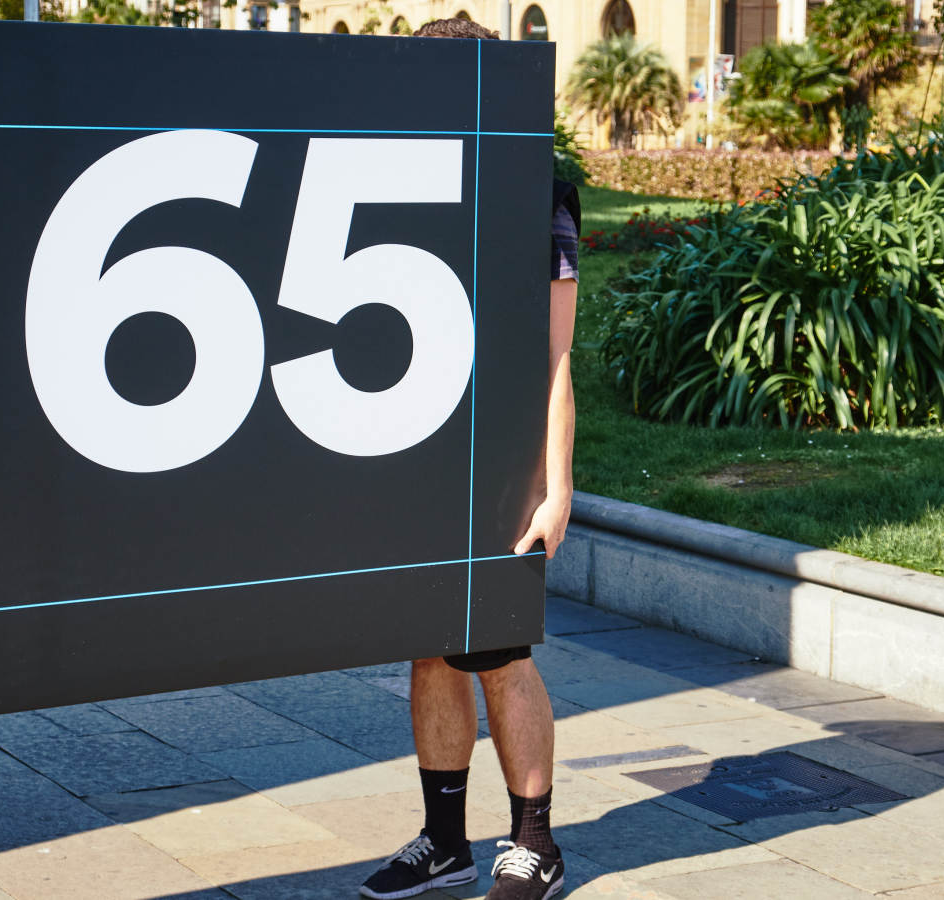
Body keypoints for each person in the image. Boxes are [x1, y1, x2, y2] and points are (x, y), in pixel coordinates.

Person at [358, 18, 579, 900]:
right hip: (416, 460)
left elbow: (556, 359)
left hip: (496, 466)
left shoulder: (539, 193)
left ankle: (536, 843)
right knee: (427, 651)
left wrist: (553, 488)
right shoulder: (390, 185)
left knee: (498, 652)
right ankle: (443, 839)